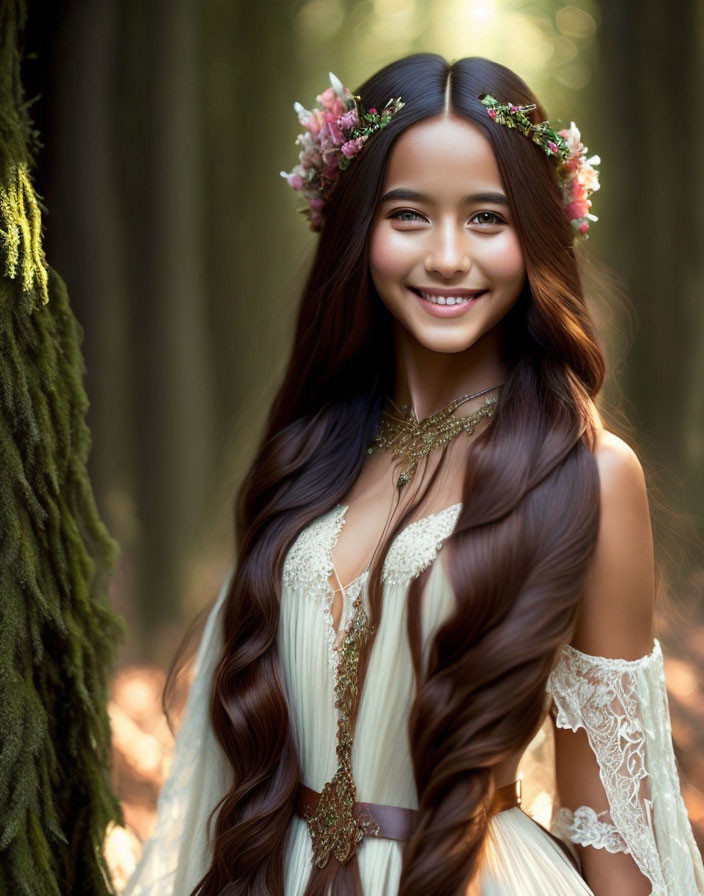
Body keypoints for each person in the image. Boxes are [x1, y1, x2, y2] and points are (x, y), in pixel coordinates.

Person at [122, 54, 704, 896]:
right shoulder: (312, 452)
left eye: (486, 218)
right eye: (407, 215)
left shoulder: (589, 476)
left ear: (536, 233)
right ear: (358, 229)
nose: (445, 256)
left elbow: (613, 826)